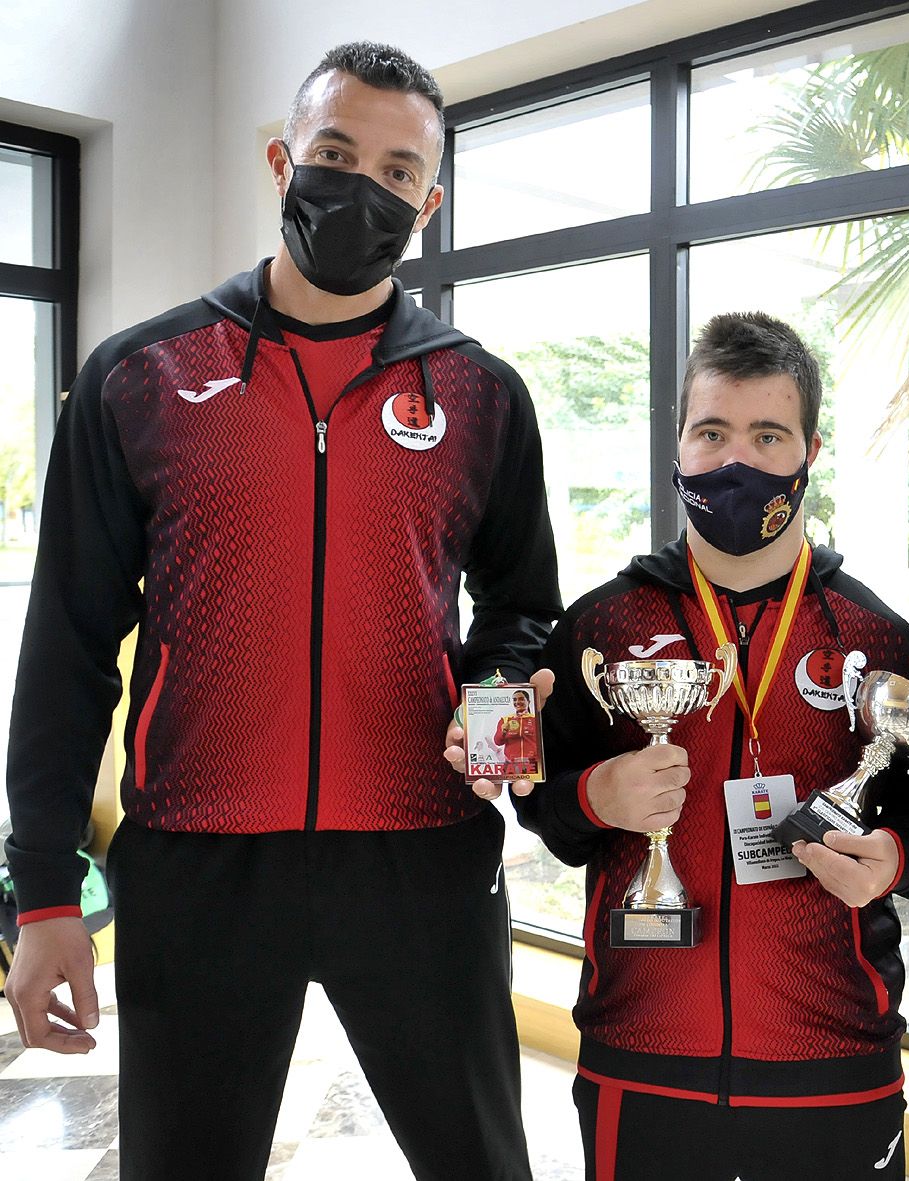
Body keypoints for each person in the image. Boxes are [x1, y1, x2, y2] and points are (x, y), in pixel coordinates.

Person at [3, 42, 561, 1179]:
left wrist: (502, 688)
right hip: (200, 868)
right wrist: (46, 889)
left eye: (399, 171)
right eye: (337, 153)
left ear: (430, 200)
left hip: (422, 861)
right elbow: (66, 645)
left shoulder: (477, 393)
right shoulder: (141, 376)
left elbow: (524, 606)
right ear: (282, 161)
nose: (366, 186)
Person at [480, 311, 909, 1180]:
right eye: (712, 432)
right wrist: (597, 796)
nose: (735, 461)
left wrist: (893, 857)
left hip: (835, 1057)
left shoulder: (875, 635)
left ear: (809, 449)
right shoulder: (602, 627)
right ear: (678, 445)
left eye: (767, 435)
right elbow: (543, 807)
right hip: (641, 1051)